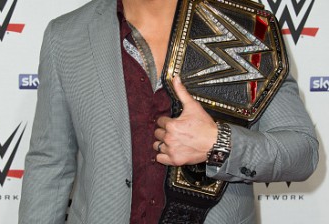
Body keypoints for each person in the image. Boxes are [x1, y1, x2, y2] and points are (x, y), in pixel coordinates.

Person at [18, 0, 319, 223]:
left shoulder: (245, 26)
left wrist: (219, 145)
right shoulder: (66, 36)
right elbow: (50, 164)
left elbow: (302, 151)